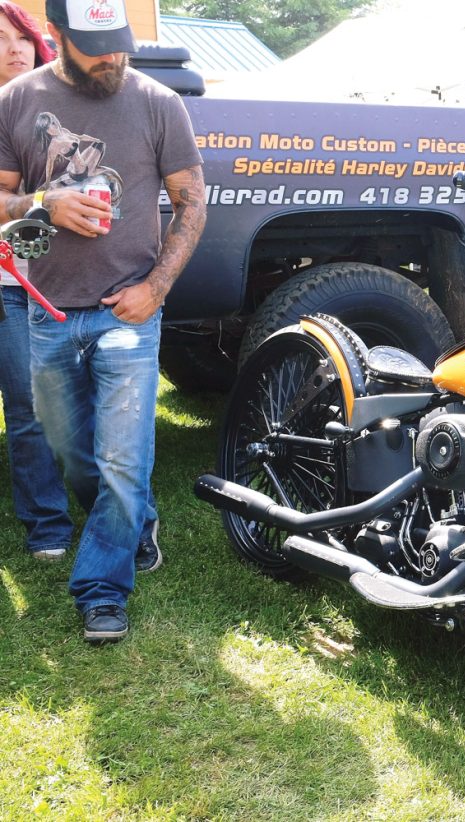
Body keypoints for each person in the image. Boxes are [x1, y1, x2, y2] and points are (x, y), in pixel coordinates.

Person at [0, 0, 206, 643]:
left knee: (122, 459)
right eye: (96, 46)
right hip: (47, 311)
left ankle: (101, 592)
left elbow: (191, 200)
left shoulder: (156, 101)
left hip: (129, 311)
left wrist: (157, 286)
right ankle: (136, 523)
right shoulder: (16, 100)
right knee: (74, 454)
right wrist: (43, 202)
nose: (113, 57)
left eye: (120, 42)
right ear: (56, 35)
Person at [0, 1, 74, 561]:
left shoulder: (57, 110)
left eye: (19, 37)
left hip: (26, 284)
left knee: (30, 407)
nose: (11, 49)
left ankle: (47, 521)